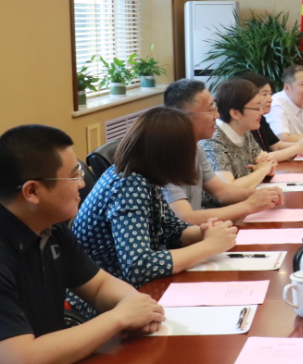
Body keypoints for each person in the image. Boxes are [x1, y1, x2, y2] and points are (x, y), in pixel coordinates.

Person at [0, 125, 165, 364]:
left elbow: (98, 285)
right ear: (32, 191)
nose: (81, 184)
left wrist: (136, 306)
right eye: (73, 175)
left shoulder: (48, 225)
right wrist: (119, 318)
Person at [71, 108, 240, 304]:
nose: (194, 152)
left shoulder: (146, 177)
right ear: (170, 154)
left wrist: (204, 232)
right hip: (105, 300)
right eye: (189, 147)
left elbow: (172, 229)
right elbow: (139, 266)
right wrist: (209, 246)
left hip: (131, 292)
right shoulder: (128, 186)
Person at [163, 79, 282, 225]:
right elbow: (185, 218)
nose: (217, 115)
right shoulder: (167, 154)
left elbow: (221, 192)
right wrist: (250, 205)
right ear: (186, 117)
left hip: (206, 229)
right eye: (210, 110)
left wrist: (262, 195)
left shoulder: (196, 149)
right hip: (193, 232)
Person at [200, 78, 279, 186]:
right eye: (257, 108)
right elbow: (228, 189)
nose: (261, 112)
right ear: (235, 113)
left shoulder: (244, 131)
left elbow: (266, 162)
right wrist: (263, 170)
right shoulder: (213, 140)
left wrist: (267, 167)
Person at [236, 72, 303, 160]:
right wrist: (297, 148)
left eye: (270, 94)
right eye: (264, 94)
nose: (270, 99)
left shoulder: (261, 118)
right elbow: (259, 158)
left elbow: (276, 146)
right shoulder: (243, 123)